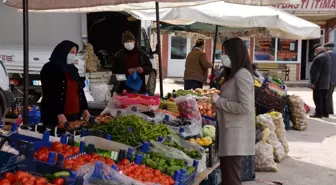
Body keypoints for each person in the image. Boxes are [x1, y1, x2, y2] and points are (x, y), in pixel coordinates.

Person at [211, 38, 255, 185]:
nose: (223, 56)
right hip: (227, 132)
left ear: (234, 54)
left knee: (231, 179)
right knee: (228, 176)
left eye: (225, 53)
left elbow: (244, 107)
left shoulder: (242, 74)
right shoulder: (234, 73)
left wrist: (219, 101)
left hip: (235, 136)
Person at [40, 40, 90, 130]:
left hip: (74, 115)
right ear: (63, 51)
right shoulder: (50, 68)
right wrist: (58, 113)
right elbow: (50, 93)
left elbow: (79, 90)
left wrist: (84, 108)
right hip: (58, 117)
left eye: (75, 53)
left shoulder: (73, 69)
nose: (73, 55)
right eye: (71, 52)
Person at [310, 44, 332, 118]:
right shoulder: (328, 56)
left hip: (319, 82)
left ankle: (318, 113)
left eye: (315, 51)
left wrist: (313, 82)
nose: (315, 52)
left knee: (317, 98)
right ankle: (325, 113)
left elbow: (316, 72)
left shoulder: (319, 58)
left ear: (317, 50)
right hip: (326, 82)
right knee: (324, 98)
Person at [324, 42, 336, 115]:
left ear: (327, 47)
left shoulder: (327, 54)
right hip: (334, 79)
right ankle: (330, 110)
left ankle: (327, 110)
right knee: (330, 94)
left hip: (327, 78)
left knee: (326, 95)